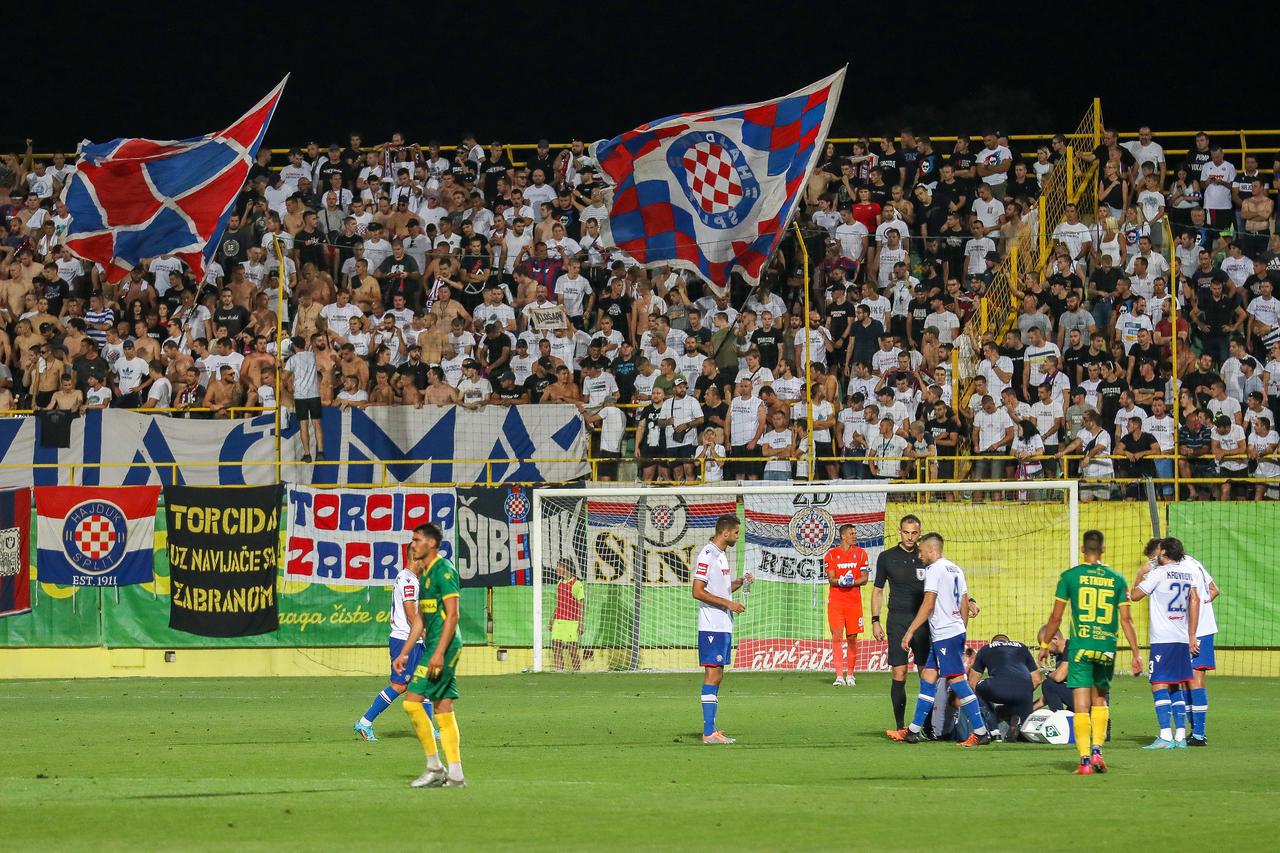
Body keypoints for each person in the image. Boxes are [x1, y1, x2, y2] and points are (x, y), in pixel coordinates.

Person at [1039, 529, 1141, 775]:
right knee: (1100, 699)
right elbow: (1126, 620)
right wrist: (1136, 653)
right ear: (1103, 550)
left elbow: (1056, 616)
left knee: (1081, 703)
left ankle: (1084, 761)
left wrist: (1044, 647)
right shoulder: (1118, 579)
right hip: (1105, 647)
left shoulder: (1070, 577)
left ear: (1083, 550)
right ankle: (1098, 751)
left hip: (1080, 646)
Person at [897, 533, 988, 746]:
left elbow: (928, 604)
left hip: (946, 634)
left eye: (921, 551)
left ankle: (981, 732)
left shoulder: (935, 570)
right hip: (950, 633)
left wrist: (910, 631)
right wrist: (961, 630)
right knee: (928, 677)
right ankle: (913, 731)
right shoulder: (956, 569)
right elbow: (964, 604)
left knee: (957, 681)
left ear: (931, 550)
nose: (919, 555)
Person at [394, 522, 465, 788]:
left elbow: (453, 615)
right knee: (435, 706)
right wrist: (404, 653)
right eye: (412, 540)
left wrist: (438, 653)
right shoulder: (422, 575)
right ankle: (450, 772)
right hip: (433, 646)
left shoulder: (444, 571)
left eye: (417, 540)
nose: (413, 544)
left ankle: (438, 768)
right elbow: (420, 620)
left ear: (432, 543)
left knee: (424, 704)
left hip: (445, 648)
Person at [352, 541, 429, 743]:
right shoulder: (409, 581)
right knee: (399, 685)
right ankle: (365, 721)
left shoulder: (409, 578)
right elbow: (411, 615)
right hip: (405, 640)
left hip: (412, 640)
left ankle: (429, 730)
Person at [1130, 538, 1200, 750]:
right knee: (1175, 684)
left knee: (1158, 683)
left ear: (1163, 554)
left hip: (1163, 638)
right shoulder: (1189, 573)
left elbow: (1134, 596)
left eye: (1158, 553)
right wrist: (1192, 635)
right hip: (1180, 636)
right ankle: (1179, 736)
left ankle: (1165, 736)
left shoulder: (1158, 574)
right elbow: (1194, 600)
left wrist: (1141, 573)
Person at [692, 514, 751, 745]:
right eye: (736, 532)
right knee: (712, 674)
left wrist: (740, 582)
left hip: (722, 625)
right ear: (725, 533)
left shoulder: (721, 556)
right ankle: (708, 732)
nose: (737, 536)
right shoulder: (707, 555)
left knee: (718, 676)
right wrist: (730, 604)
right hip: (712, 626)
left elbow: (723, 590)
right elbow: (697, 591)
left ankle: (712, 728)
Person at [874, 515, 929, 739]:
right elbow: (877, 590)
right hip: (897, 621)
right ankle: (900, 726)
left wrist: (969, 599)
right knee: (900, 672)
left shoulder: (925, 556)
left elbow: (944, 582)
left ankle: (929, 726)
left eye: (914, 533)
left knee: (928, 674)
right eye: (906, 532)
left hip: (923, 622)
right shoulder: (887, 557)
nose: (910, 537)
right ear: (899, 532)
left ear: (919, 533)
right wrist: (875, 620)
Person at [1179, 541, 1219, 747]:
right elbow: (1215, 590)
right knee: (1188, 680)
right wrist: (1203, 604)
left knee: (1194, 679)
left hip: (1197, 632)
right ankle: (1196, 732)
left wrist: (1197, 613)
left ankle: (1199, 734)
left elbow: (1198, 596)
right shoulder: (1195, 563)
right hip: (1198, 629)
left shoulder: (1184, 569)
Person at [823, 524, 870, 687]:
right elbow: (831, 579)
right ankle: (839, 676)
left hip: (853, 603)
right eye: (852, 533)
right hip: (836, 603)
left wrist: (851, 582)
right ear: (843, 536)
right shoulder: (831, 555)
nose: (855, 536)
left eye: (855, 533)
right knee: (836, 636)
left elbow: (864, 579)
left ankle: (850, 674)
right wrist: (841, 581)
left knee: (852, 638)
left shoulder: (861, 554)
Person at [968, 634, 1040, 740]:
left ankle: (994, 731)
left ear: (993, 642)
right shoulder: (1022, 647)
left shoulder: (985, 649)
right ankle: (1014, 718)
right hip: (1024, 691)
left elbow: (972, 682)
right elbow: (1037, 679)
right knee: (1023, 737)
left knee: (976, 690)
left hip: (998, 686)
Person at [548, 559, 585, 673]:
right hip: (559, 621)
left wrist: (581, 623)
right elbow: (560, 604)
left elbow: (582, 604)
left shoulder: (576, 584)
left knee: (572, 649)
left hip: (571, 622)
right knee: (556, 646)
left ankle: (577, 671)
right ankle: (559, 670)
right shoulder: (559, 583)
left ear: (566, 568)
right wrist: (551, 619)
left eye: (559, 566)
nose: (556, 569)